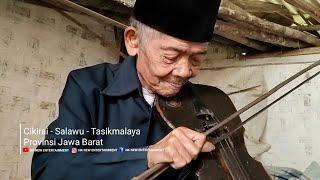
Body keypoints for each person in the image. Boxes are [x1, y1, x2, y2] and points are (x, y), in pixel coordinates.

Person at [31, 0, 223, 179]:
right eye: (170, 56)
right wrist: (147, 156)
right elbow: (49, 168)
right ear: (133, 41)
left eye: (197, 58)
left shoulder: (206, 105)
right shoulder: (88, 86)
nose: (185, 71)